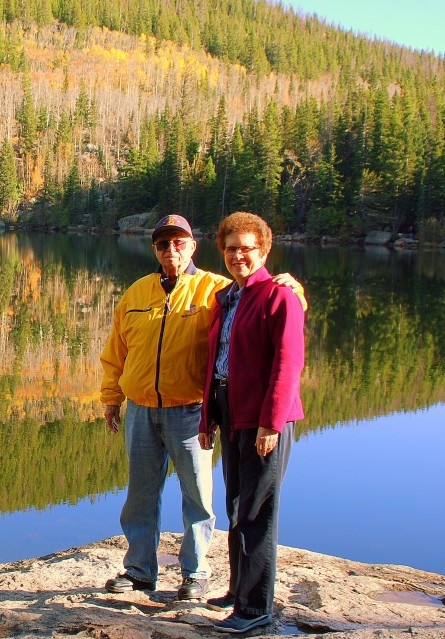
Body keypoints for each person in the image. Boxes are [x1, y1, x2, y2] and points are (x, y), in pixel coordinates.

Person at [100, 215, 304, 602]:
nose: (171, 250)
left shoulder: (217, 289)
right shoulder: (137, 293)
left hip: (191, 411)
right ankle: (140, 570)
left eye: (179, 243)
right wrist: (111, 396)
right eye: (163, 244)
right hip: (141, 410)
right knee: (140, 495)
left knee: (198, 498)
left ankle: (195, 573)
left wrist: (294, 286)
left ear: (194, 246)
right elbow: (116, 350)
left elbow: (266, 299)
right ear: (155, 249)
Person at [198, 212, 305, 633]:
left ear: (263, 251)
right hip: (232, 411)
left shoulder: (279, 296)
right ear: (221, 251)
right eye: (230, 248)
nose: (238, 255)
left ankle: (255, 608)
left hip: (264, 417)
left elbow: (288, 362)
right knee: (236, 507)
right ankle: (236, 589)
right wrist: (209, 418)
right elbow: (216, 362)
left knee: (257, 513)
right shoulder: (228, 297)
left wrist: (272, 422)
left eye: (247, 248)